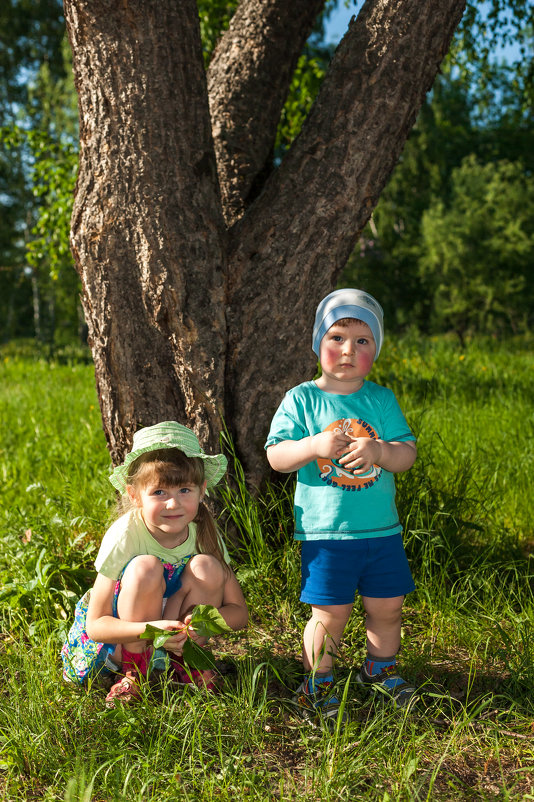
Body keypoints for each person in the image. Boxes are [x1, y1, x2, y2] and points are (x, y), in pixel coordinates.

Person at [265, 288, 417, 726]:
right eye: (336, 338)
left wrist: (380, 451)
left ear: (376, 350)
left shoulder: (381, 401)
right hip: (325, 533)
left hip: (381, 531)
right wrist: (313, 445)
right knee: (330, 613)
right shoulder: (302, 399)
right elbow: (276, 457)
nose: (348, 349)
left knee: (387, 606)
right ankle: (317, 682)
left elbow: (406, 455)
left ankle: (381, 668)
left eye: (363, 341)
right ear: (318, 344)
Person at [61, 421, 248, 706]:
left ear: (202, 490)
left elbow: (239, 613)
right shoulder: (125, 535)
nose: (173, 504)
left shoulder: (205, 532)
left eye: (185, 490)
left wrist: (199, 626)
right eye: (159, 492)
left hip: (177, 637)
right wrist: (151, 629)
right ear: (134, 495)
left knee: (208, 567)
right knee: (145, 567)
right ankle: (134, 672)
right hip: (125, 639)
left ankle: (186, 664)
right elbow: (96, 625)